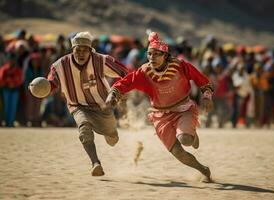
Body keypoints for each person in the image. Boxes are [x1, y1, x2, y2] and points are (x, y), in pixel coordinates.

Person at [106, 32, 214, 181]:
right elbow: (126, 82)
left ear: (166, 56)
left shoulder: (181, 66)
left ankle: (192, 136)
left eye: (157, 54)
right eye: (150, 54)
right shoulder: (144, 72)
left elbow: (202, 80)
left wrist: (207, 96)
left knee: (185, 140)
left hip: (184, 109)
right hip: (160, 115)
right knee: (177, 152)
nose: (152, 57)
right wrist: (113, 94)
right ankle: (203, 169)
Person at [31, 32, 128, 176]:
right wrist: (42, 88)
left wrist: (120, 92)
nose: (81, 53)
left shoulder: (101, 61)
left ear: (90, 50)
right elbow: (52, 83)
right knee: (84, 129)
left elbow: (125, 73)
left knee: (112, 137)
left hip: (103, 105)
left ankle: (110, 134)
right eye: (78, 50)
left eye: (84, 50)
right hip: (77, 105)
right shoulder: (59, 66)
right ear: (72, 50)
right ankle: (95, 163)